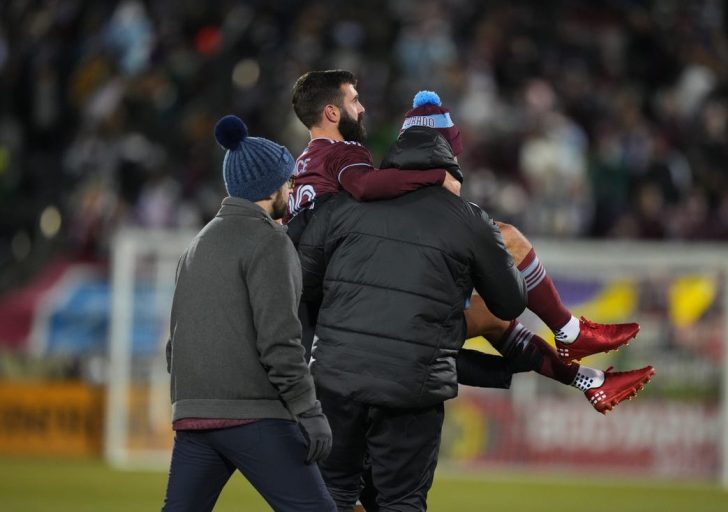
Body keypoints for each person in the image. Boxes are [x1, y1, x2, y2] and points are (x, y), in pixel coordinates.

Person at [287, 70, 648, 412]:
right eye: (354, 100)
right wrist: (434, 177)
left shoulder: (305, 165)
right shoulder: (344, 155)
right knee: (507, 240)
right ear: (331, 112)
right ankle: (570, 332)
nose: (362, 108)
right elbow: (366, 187)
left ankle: (589, 379)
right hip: (357, 305)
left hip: (335, 316)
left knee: (489, 318)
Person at [297, 137, 529, 510]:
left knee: (331, 494)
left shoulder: (346, 206)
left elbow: (304, 281)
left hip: (337, 379)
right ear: (447, 174)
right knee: (402, 500)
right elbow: (510, 302)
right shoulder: (468, 220)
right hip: (412, 387)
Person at [162, 115, 336, 512]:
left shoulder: (196, 246)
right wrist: (308, 410)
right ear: (269, 186)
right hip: (252, 415)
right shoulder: (270, 242)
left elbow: (175, 346)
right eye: (288, 181)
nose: (292, 188)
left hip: (193, 416)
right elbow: (279, 343)